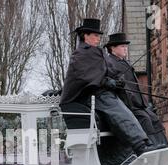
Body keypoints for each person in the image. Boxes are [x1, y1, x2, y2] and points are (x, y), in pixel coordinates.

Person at [60, 18, 157, 156]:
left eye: (99, 36)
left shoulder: (97, 52)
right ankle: (139, 146)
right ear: (85, 35)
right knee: (116, 109)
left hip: (101, 93)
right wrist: (105, 82)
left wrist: (117, 81)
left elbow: (110, 70)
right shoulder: (80, 54)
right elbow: (84, 76)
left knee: (127, 108)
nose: (98, 39)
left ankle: (146, 143)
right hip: (87, 95)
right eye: (95, 35)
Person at [105, 32, 168, 148]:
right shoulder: (111, 63)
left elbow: (135, 86)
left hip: (139, 103)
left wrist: (144, 102)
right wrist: (134, 102)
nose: (125, 49)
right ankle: (152, 147)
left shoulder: (124, 62)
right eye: (122, 46)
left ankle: (164, 145)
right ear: (112, 48)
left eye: (126, 46)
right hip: (128, 104)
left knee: (154, 118)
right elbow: (123, 88)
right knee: (145, 119)